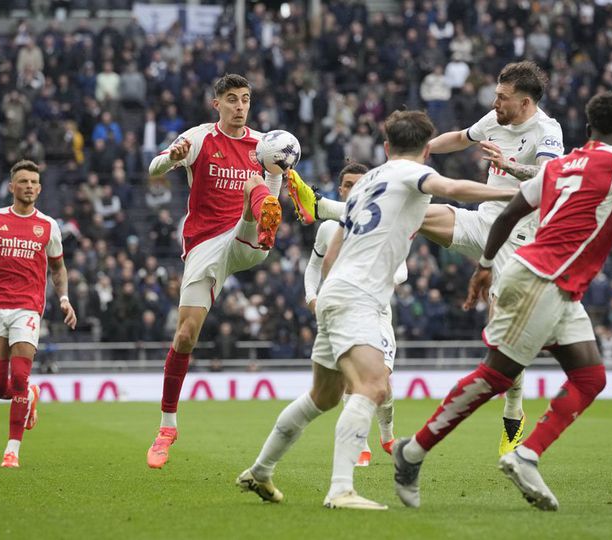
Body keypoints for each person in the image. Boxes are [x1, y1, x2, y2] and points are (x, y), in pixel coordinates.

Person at [392, 92, 612, 511]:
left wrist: (486, 264)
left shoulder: (559, 167)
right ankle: (413, 451)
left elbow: (509, 213)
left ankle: (525, 455)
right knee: (497, 375)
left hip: (556, 285)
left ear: (586, 129)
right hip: (541, 279)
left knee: (590, 378)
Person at [237, 110, 517, 510]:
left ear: (386, 148)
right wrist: (518, 193)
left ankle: (260, 471)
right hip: (359, 296)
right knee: (374, 387)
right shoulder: (410, 174)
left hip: (336, 292)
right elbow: (453, 187)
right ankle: (340, 489)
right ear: (425, 151)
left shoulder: (368, 181)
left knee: (322, 395)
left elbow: (335, 245)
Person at [286, 61, 564, 456]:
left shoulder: (547, 131)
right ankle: (324, 206)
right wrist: (420, 150)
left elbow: (549, 179)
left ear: (524, 101)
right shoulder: (494, 118)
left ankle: (514, 414)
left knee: (501, 343)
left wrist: (509, 165)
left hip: (518, 240)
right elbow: (460, 138)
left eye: (502, 98)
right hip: (482, 221)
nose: (494, 102)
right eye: (496, 95)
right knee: (411, 209)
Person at [145, 73, 287, 469]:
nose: (240, 106)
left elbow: (270, 194)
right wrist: (172, 158)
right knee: (185, 335)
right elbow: (154, 170)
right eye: (232, 99)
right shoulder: (199, 138)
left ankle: (267, 223)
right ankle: (167, 426)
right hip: (205, 245)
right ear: (217, 103)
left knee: (256, 187)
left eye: (245, 99)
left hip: (246, 236)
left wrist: (265, 214)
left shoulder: (264, 145)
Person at [0, 159, 77, 468]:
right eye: (23, 181)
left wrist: (64, 298)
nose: (29, 187)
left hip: (27, 307)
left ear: (39, 187)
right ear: (11, 187)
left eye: (34, 182)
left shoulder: (49, 225)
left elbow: (58, 267)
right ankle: (30, 396)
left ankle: (12, 450)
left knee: (20, 376)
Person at [303, 162, 400, 466]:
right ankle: (360, 443)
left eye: (360, 183)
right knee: (351, 378)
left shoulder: (385, 222)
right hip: (343, 312)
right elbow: (313, 267)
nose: (354, 189)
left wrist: (368, 279)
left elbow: (403, 271)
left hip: (377, 311)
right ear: (340, 188)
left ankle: (387, 432)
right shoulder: (328, 228)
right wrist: (312, 297)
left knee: (382, 383)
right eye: (348, 184)